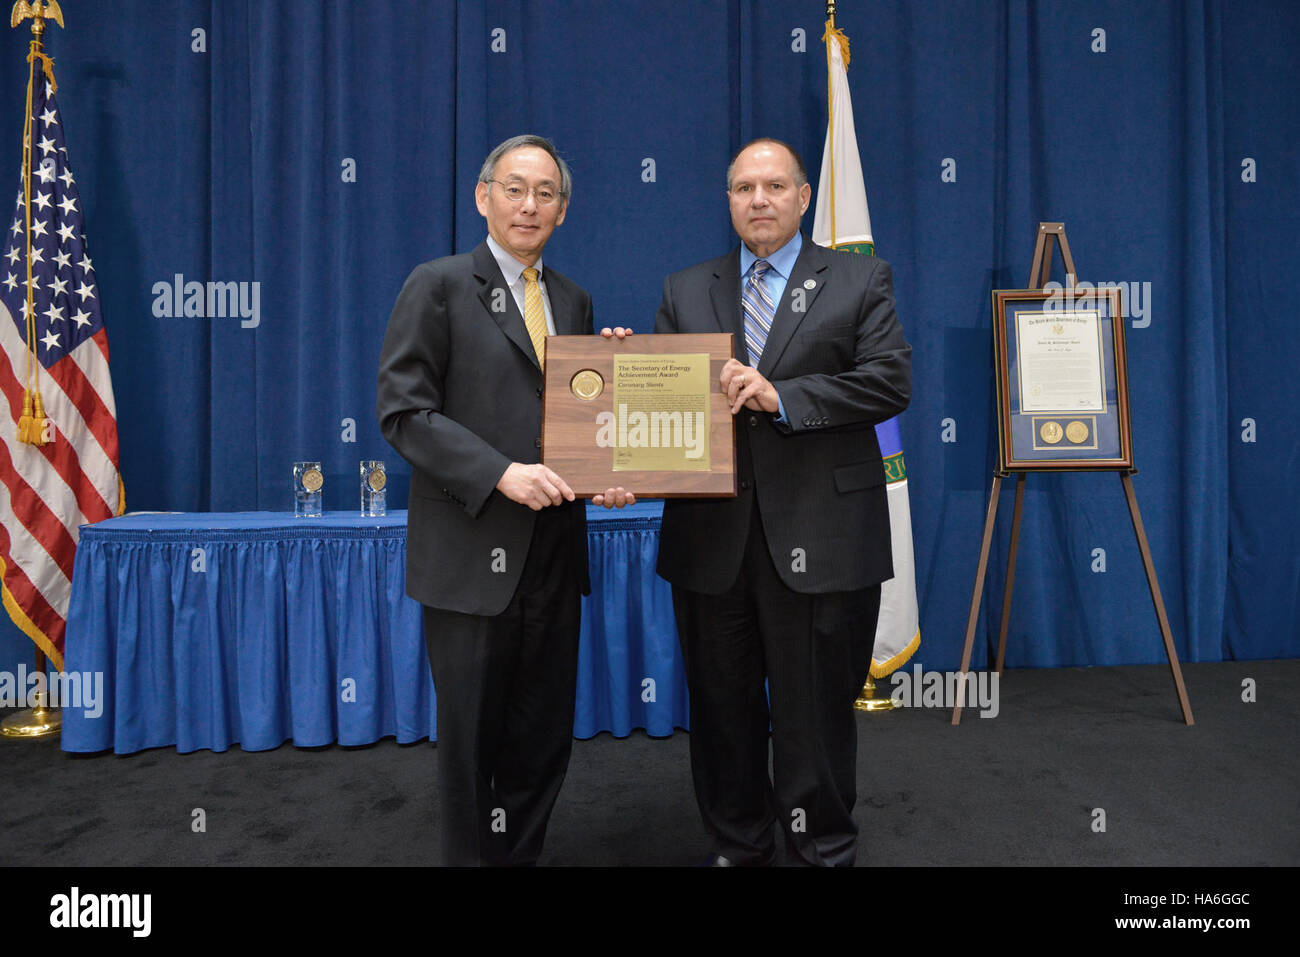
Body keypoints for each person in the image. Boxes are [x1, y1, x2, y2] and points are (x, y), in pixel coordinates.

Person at [654, 138, 912, 866]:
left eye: (774, 186)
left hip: (825, 539)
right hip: (713, 542)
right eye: (743, 188)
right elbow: (666, 404)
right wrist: (624, 373)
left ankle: (820, 848)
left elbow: (890, 382)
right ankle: (737, 846)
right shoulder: (685, 288)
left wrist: (782, 396)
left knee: (815, 720)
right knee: (723, 714)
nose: (758, 199)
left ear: (804, 198)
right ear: (728, 200)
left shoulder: (860, 280)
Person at [377, 134, 631, 866]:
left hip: (554, 556)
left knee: (541, 739)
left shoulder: (574, 299)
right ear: (483, 196)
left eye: (545, 192)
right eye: (514, 188)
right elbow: (403, 411)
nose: (529, 204)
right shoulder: (438, 283)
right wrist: (499, 473)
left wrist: (611, 430)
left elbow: (580, 419)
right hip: (470, 558)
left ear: (563, 210)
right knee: (470, 748)